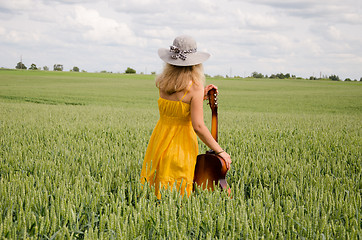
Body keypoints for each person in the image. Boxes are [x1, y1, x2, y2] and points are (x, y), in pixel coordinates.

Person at [140, 35, 232, 199]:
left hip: (159, 139)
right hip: (181, 144)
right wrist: (220, 152)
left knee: (157, 188)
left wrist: (200, 95)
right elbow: (198, 126)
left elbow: (178, 103)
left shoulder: (163, 81)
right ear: (195, 61)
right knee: (178, 191)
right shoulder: (195, 86)